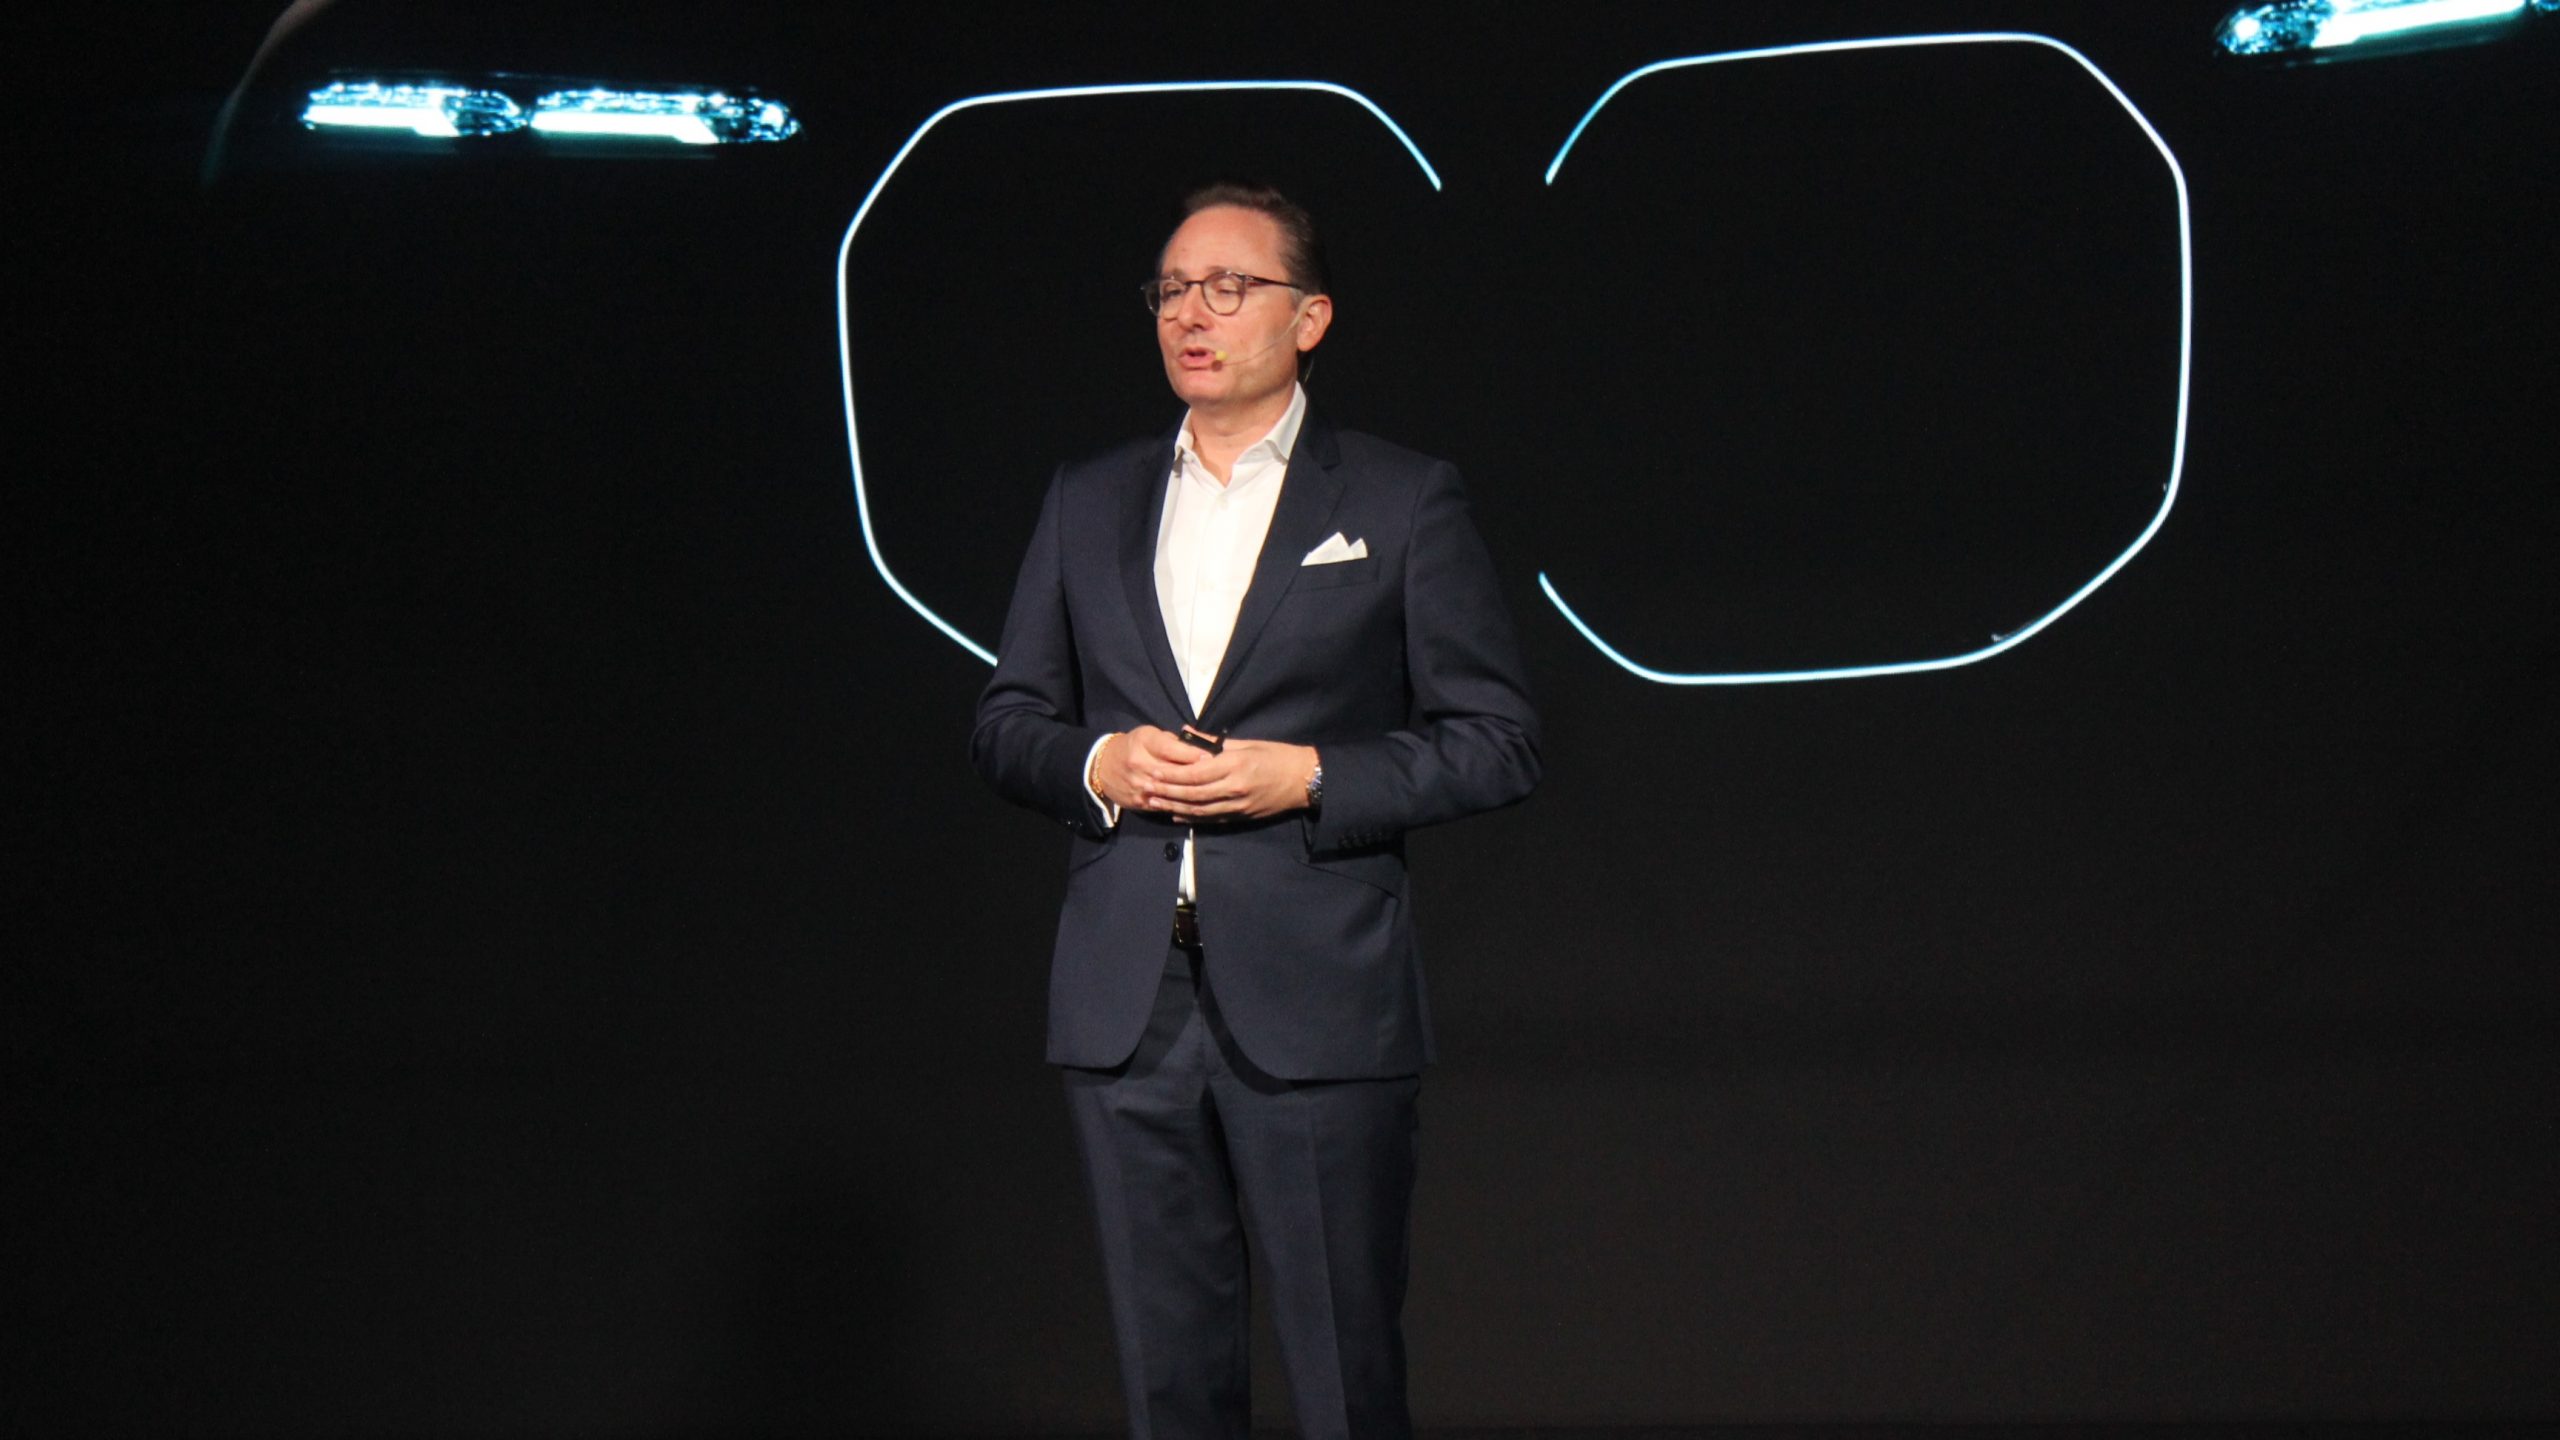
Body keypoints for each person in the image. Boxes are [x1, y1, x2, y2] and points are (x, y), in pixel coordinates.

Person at [970, 181, 1540, 1440]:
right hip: (1128, 1004)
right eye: (1172, 289)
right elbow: (1008, 722)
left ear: (1310, 317)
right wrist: (1099, 763)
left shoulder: (1396, 499)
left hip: (1317, 997)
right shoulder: (1088, 498)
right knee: (1168, 1387)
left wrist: (1315, 776)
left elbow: (1497, 741)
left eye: (1229, 287)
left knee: (1343, 1379)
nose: (1193, 313)